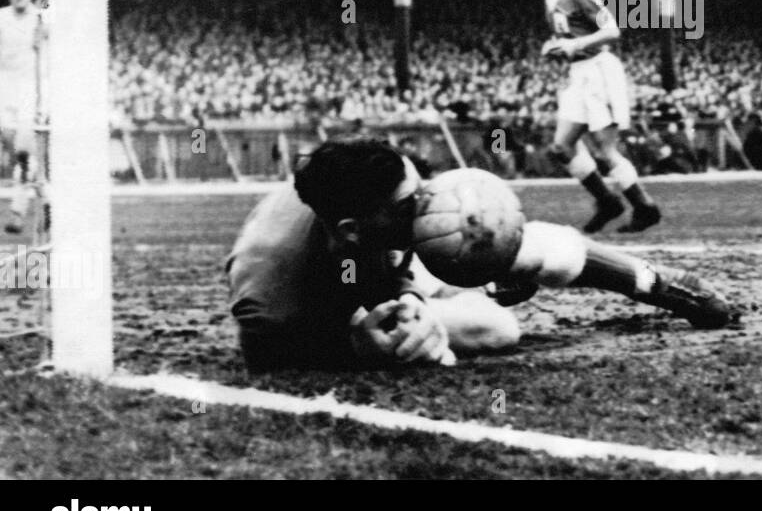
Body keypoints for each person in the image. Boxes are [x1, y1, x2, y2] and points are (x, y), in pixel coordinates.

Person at [225, 138, 733, 371]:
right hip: (334, 284)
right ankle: (477, 287)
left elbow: (387, 228)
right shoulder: (276, 289)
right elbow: (267, 348)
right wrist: (354, 349)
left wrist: (410, 298)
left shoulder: (371, 212)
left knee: (483, 243)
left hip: (370, 256)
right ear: (354, 230)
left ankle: (648, 279)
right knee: (494, 328)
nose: (427, 205)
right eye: (411, 203)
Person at [539, 0, 660, 234]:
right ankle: (608, 201)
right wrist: (554, 46)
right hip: (578, 73)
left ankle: (645, 208)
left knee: (606, 150)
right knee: (560, 148)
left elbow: (613, 30)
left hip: (599, 71)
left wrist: (574, 47)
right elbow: (570, 35)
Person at [0, 0, 48, 234]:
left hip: (32, 90)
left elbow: (59, 9)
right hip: (4, 90)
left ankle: (18, 212)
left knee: (24, 153)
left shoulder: (43, 17)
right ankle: (48, 199)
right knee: (23, 159)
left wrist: (45, 22)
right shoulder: (1, 18)